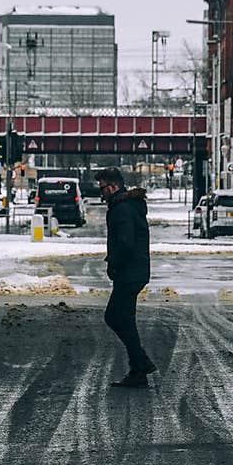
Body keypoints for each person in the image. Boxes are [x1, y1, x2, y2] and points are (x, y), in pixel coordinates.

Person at [95, 166, 157, 389]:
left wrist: (115, 264)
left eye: (103, 187)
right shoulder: (127, 205)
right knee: (122, 318)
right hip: (135, 271)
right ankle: (139, 369)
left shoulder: (121, 208)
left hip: (129, 272)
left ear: (113, 186)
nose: (101, 192)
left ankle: (140, 363)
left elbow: (125, 242)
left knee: (114, 316)